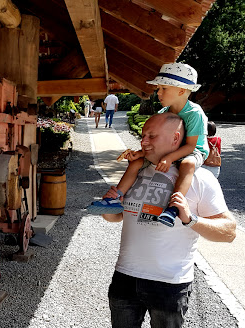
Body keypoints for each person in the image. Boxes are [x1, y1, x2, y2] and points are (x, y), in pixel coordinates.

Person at [74, 113, 237, 328]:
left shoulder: (199, 180)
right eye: (143, 135)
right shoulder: (135, 171)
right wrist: (110, 206)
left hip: (171, 282)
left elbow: (229, 232)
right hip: (126, 275)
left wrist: (191, 221)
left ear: (176, 141)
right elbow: (117, 217)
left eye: (151, 136)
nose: (143, 141)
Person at [86, 63, 209, 228]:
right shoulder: (162, 113)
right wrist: (141, 153)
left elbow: (191, 146)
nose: (158, 92)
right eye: (158, 88)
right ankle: (116, 197)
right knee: (136, 163)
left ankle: (174, 207)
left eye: (163, 88)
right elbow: (155, 142)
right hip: (169, 152)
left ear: (181, 91)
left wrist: (169, 158)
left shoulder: (194, 113)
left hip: (192, 151)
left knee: (187, 164)